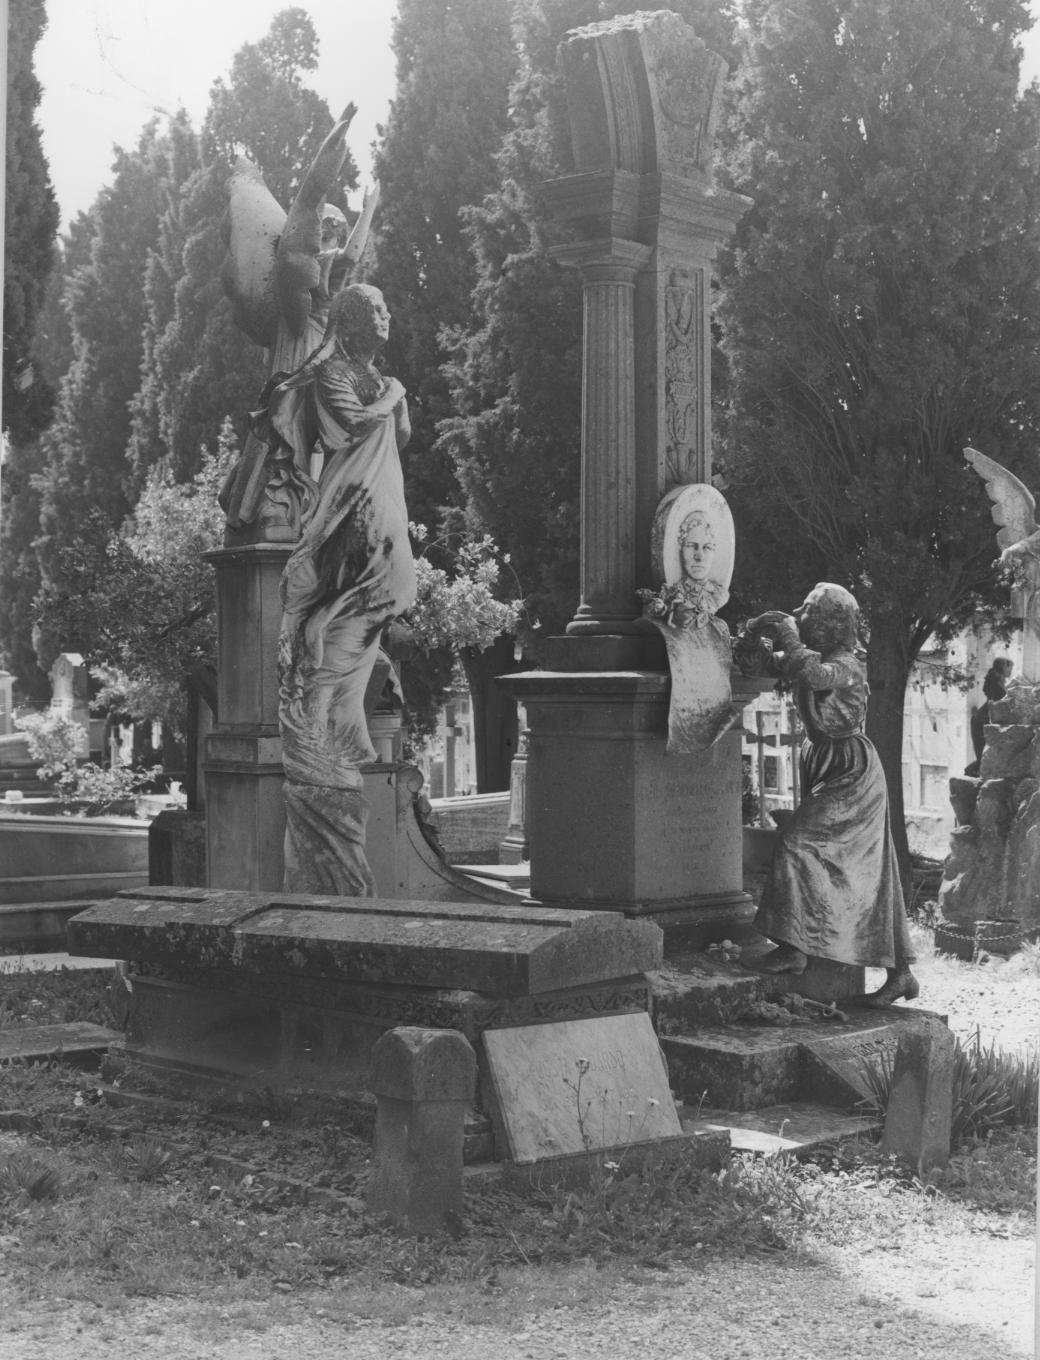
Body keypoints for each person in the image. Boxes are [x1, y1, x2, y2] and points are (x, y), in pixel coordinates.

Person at [262, 283, 416, 892]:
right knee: (343, 611)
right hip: (349, 505)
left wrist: (393, 398)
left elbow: (397, 439)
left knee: (377, 607)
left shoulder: (375, 375)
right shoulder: (333, 372)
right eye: (375, 309)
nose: (386, 315)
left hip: (383, 498)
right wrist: (396, 396)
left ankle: (339, 721)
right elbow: (353, 428)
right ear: (350, 321)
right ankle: (322, 739)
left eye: (386, 306)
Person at [735, 583, 919, 1007]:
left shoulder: (846, 664)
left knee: (799, 844)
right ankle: (900, 973)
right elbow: (762, 664)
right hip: (826, 764)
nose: (799, 613)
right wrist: (753, 632)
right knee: (857, 868)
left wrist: (785, 631)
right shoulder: (812, 658)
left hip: (851, 773)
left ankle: (794, 949)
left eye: (809, 610)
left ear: (831, 623)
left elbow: (814, 675)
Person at [969, 656, 1013, 769]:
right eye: (1009, 668)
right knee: (982, 748)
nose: (1011, 671)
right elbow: (998, 698)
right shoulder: (995, 680)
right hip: (984, 717)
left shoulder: (998, 679)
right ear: (1004, 666)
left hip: (985, 715)